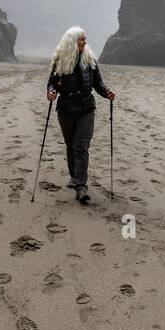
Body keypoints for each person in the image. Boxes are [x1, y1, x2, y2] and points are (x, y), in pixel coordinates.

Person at [46, 26, 115, 203]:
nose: (85, 42)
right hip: (66, 109)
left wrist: (107, 92)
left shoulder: (90, 60)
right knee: (70, 145)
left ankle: (81, 187)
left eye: (85, 39)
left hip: (86, 108)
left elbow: (98, 83)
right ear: (72, 42)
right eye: (81, 39)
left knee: (81, 146)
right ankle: (74, 176)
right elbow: (51, 83)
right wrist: (51, 93)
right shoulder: (60, 61)